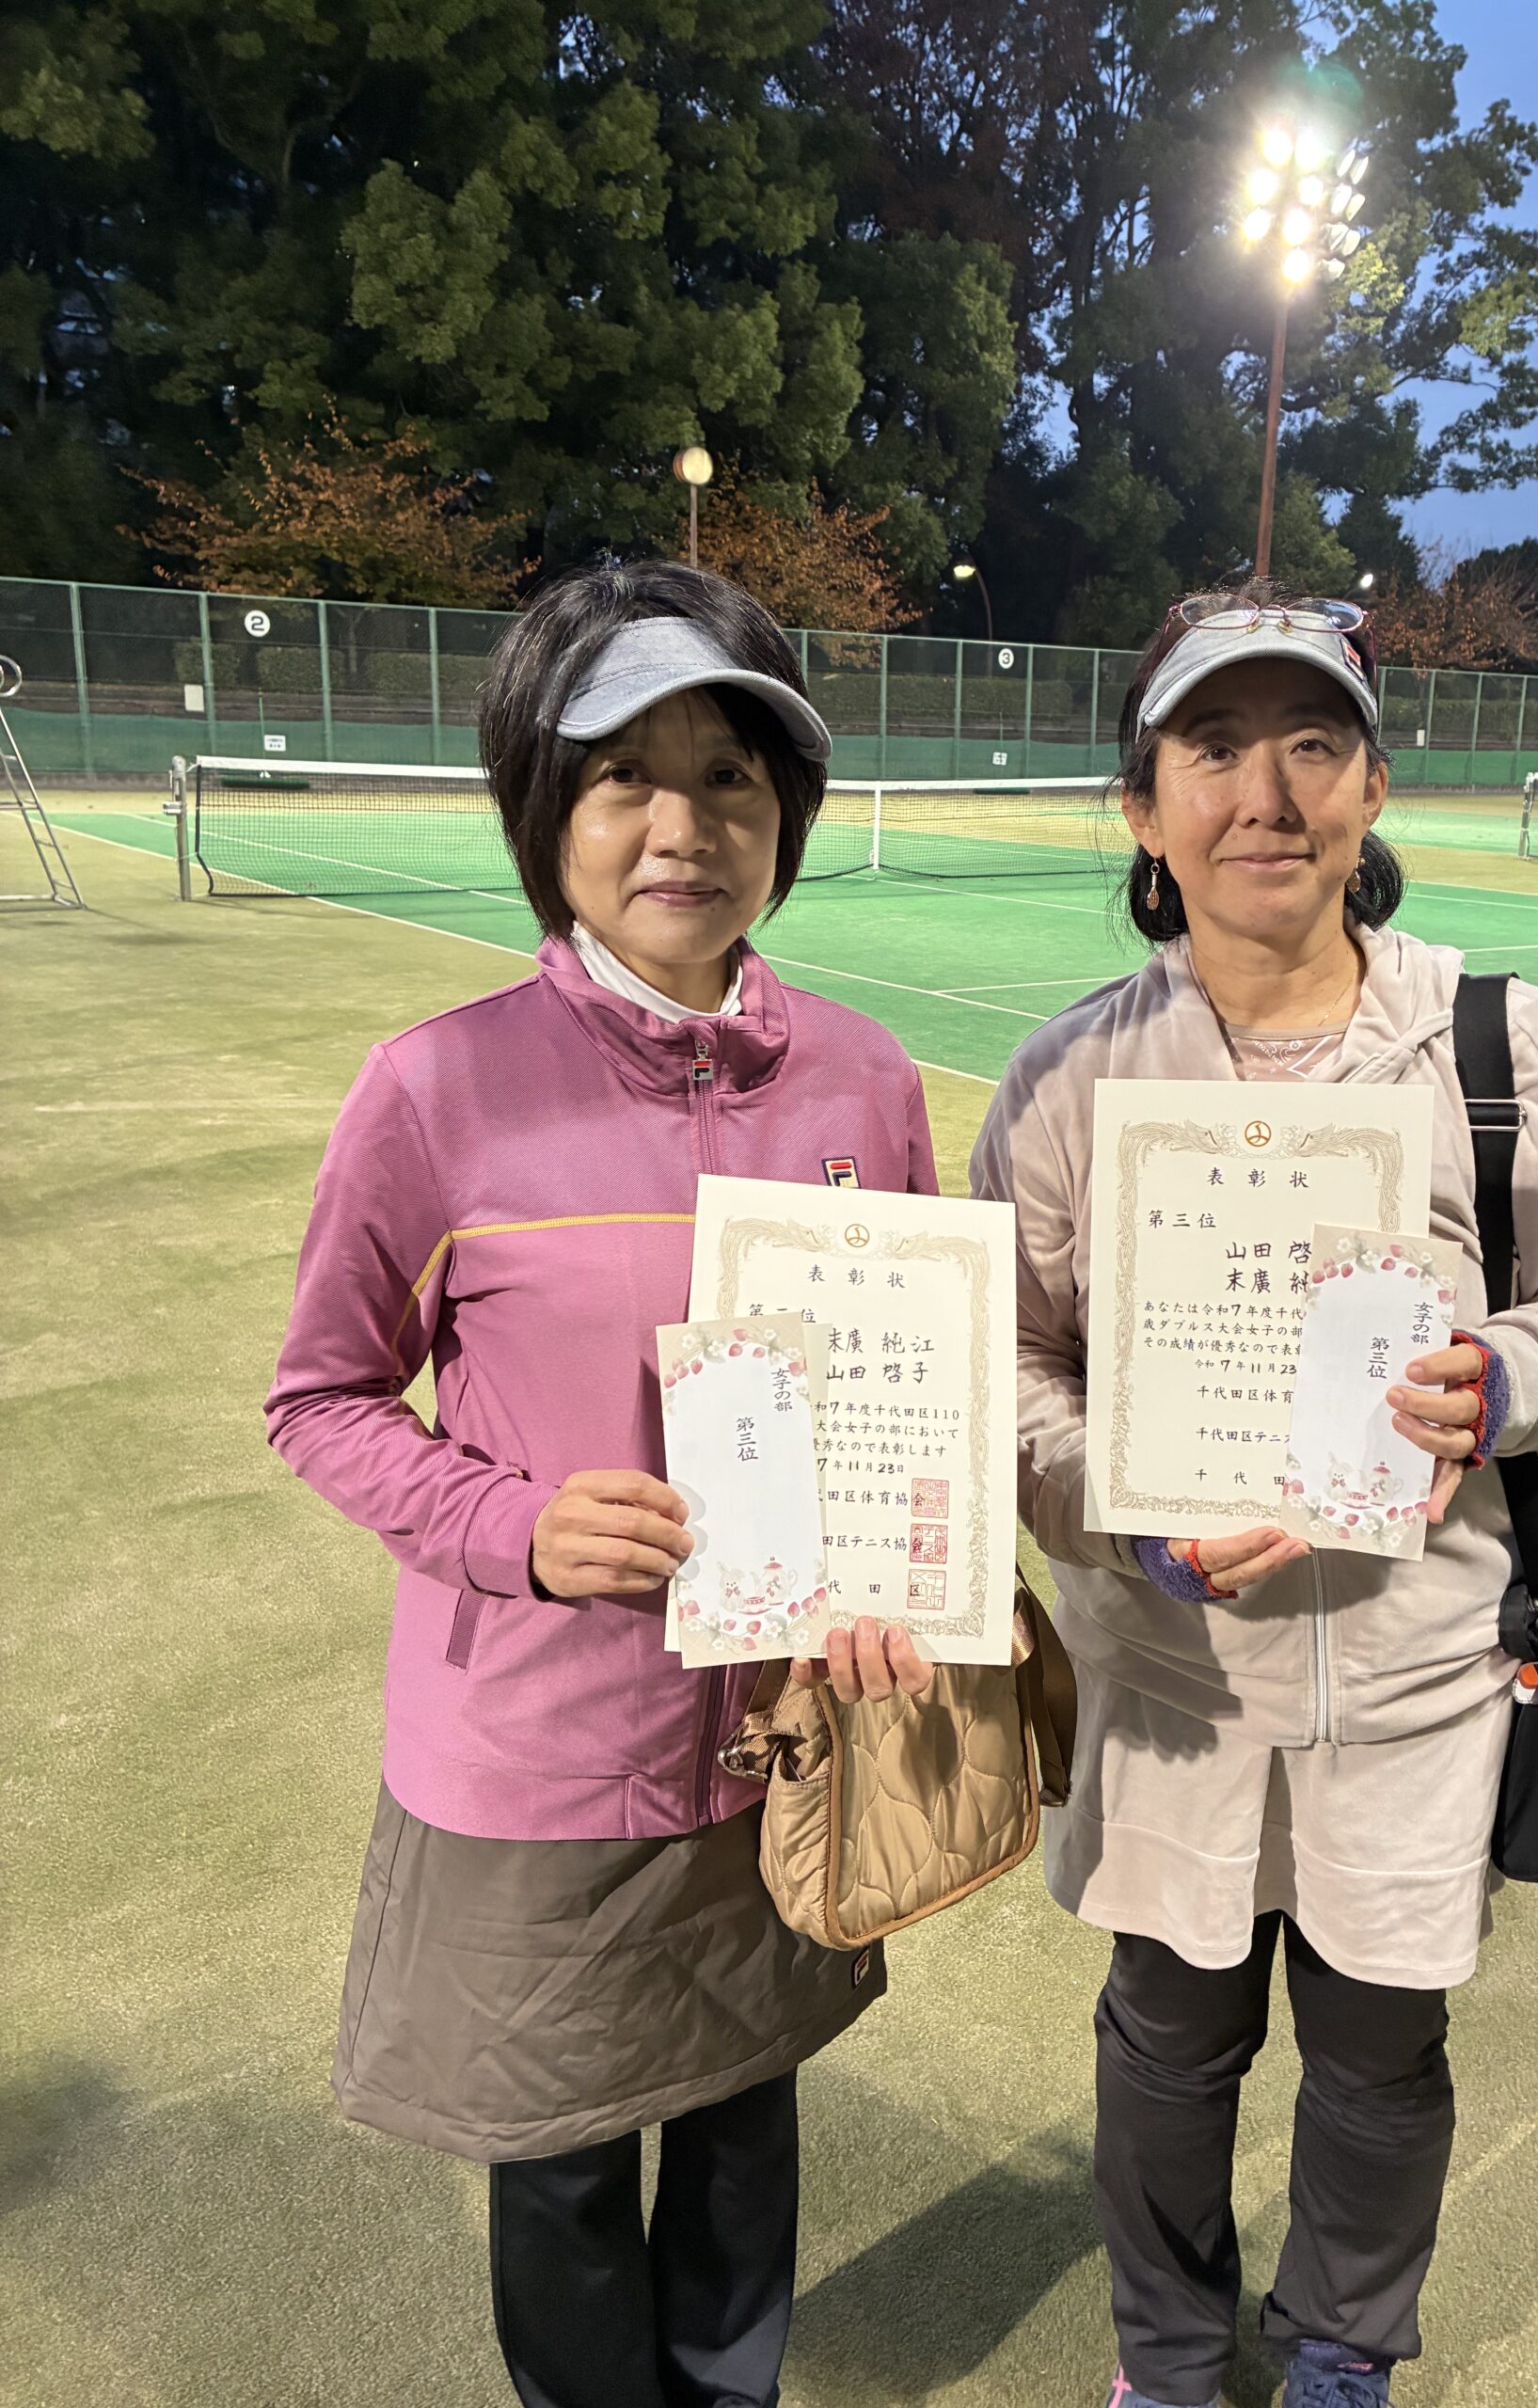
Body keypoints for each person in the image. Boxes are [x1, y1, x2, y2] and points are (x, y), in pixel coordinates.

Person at [969, 588, 1538, 2408]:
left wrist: (1501, 1378)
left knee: (1377, 2061)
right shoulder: (1067, 1077)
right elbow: (1010, 1365)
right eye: (1213, 749)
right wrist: (1120, 1509)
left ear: (1372, 787)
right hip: (1172, 1682)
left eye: (1312, 745)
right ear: (1145, 808)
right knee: (1165, 2045)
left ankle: (1342, 2347)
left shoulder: (1496, 1039)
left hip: (1420, 1670)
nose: (1264, 794)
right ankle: (1166, 2359)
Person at [265, 561, 936, 2408]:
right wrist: (517, 1527)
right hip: (544, 1755)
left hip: (780, 1738)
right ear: (543, 810)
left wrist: (907, 1570)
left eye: (729, 776)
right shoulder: (437, 1089)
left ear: (783, 816)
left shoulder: (865, 1082)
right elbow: (321, 1396)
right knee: (560, 2166)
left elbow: (904, 1397)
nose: (682, 826)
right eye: (624, 773)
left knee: (743, 2126)